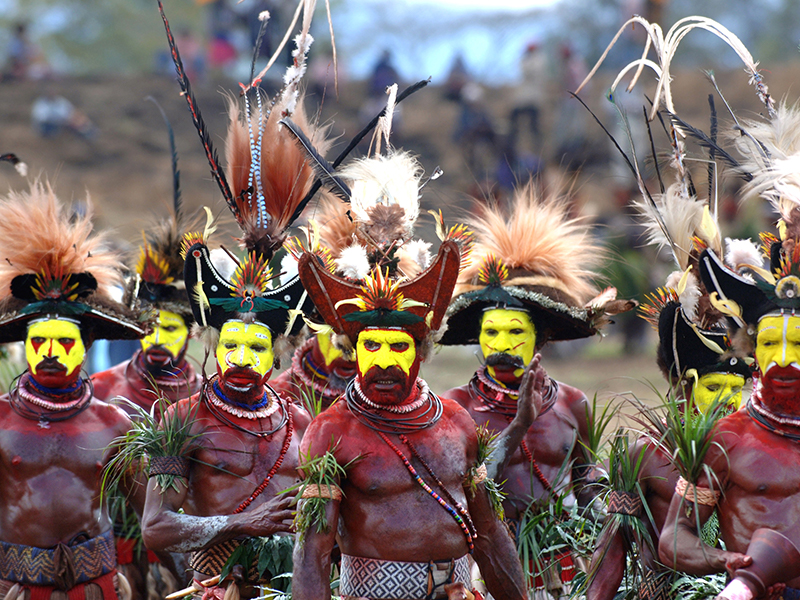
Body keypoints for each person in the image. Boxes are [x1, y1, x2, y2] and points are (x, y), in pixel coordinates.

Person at [290, 147, 529, 600]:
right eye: (371, 346)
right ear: (353, 352)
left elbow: (492, 537)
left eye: (398, 347)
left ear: (420, 353)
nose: (383, 360)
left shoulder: (458, 423)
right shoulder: (329, 434)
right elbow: (313, 553)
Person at [141, 8, 322, 597]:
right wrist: (237, 522)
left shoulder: (300, 422)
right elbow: (155, 529)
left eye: (256, 345)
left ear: (277, 350)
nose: (243, 355)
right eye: (234, 343)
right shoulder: (178, 423)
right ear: (214, 344)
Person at [439, 184, 634, 599]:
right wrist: (520, 425)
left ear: (540, 340)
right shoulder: (457, 406)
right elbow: (466, 490)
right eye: (490, 333)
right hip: (483, 567)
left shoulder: (570, 403)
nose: (501, 346)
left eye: (515, 333)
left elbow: (584, 482)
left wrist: (614, 505)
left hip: (560, 562)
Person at [0, 182, 150, 600]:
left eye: (63, 342)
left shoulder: (114, 423)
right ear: (23, 345)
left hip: (97, 589)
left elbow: (153, 523)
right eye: (38, 341)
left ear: (84, 348)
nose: (50, 353)